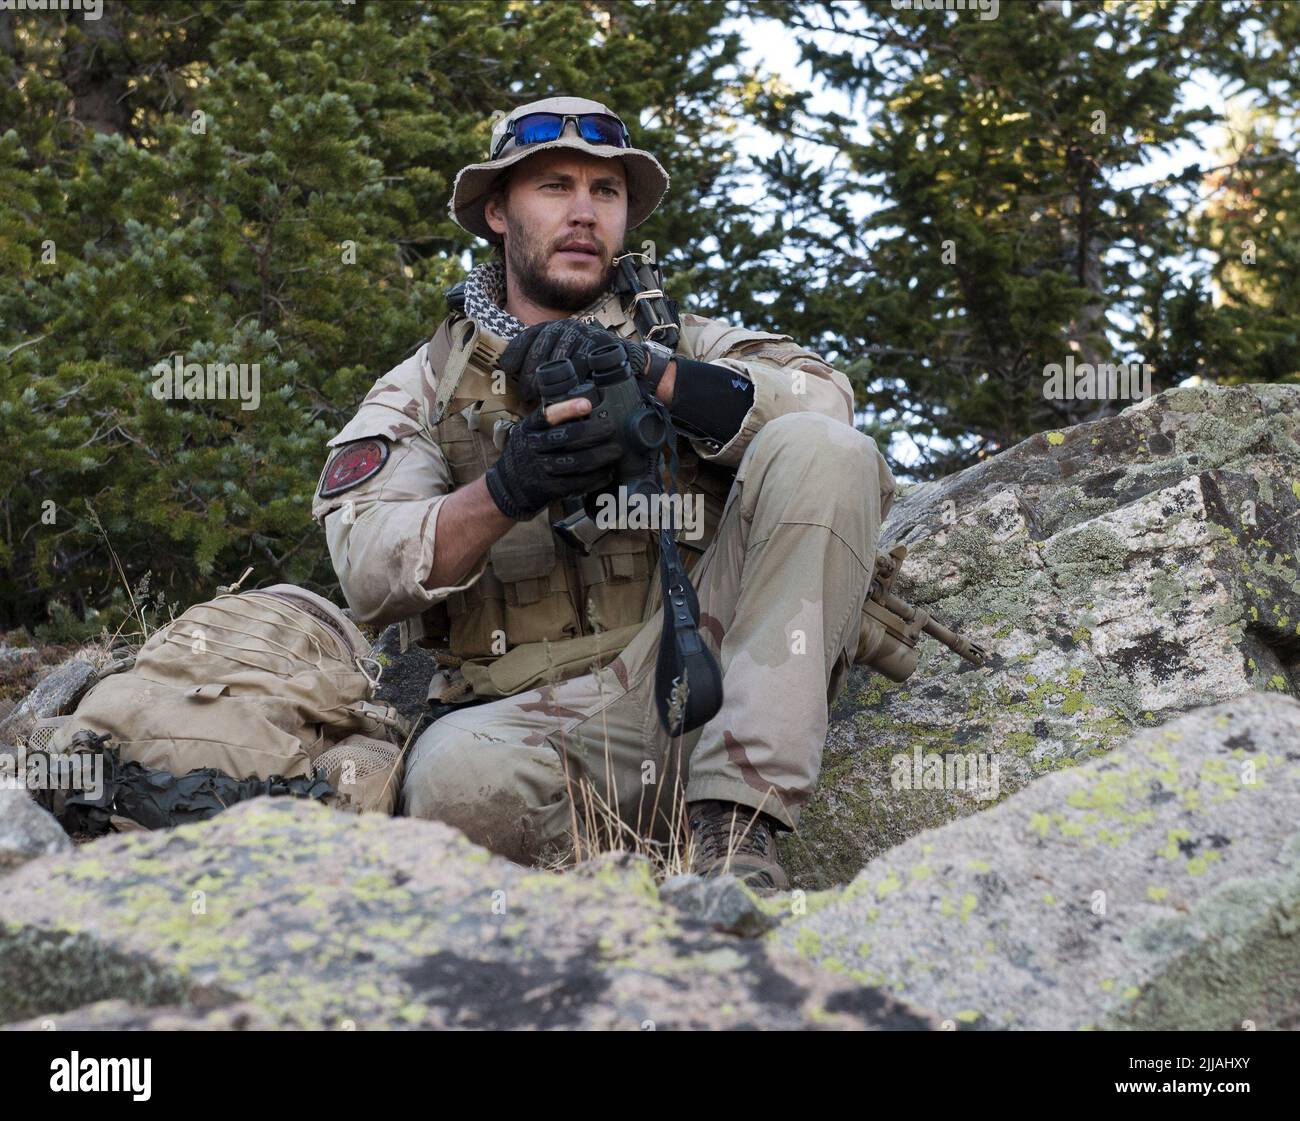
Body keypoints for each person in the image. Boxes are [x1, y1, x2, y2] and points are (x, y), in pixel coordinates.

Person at [312, 96, 896, 893]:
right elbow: (368, 566)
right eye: (554, 186)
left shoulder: (683, 340)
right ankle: (609, 882)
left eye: (606, 191)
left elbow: (829, 409)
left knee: (825, 449)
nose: (584, 212)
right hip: (536, 726)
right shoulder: (424, 387)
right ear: (496, 211)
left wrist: (656, 379)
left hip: (706, 676)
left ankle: (736, 830)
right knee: (451, 782)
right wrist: (508, 489)